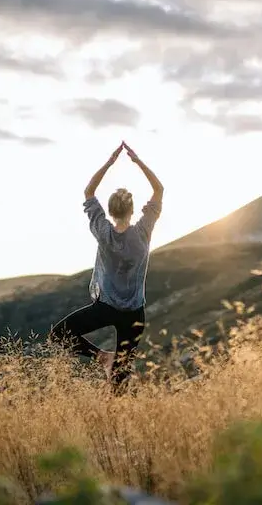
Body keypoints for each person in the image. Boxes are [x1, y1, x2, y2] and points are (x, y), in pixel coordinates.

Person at [49, 140, 164, 394]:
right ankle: (117, 423)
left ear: (110, 211)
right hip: (135, 313)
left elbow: (89, 191)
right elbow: (159, 189)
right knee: (119, 384)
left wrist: (110, 162)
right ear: (133, 210)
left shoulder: (103, 231)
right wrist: (137, 160)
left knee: (58, 335)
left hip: (105, 308)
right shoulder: (144, 231)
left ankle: (102, 356)